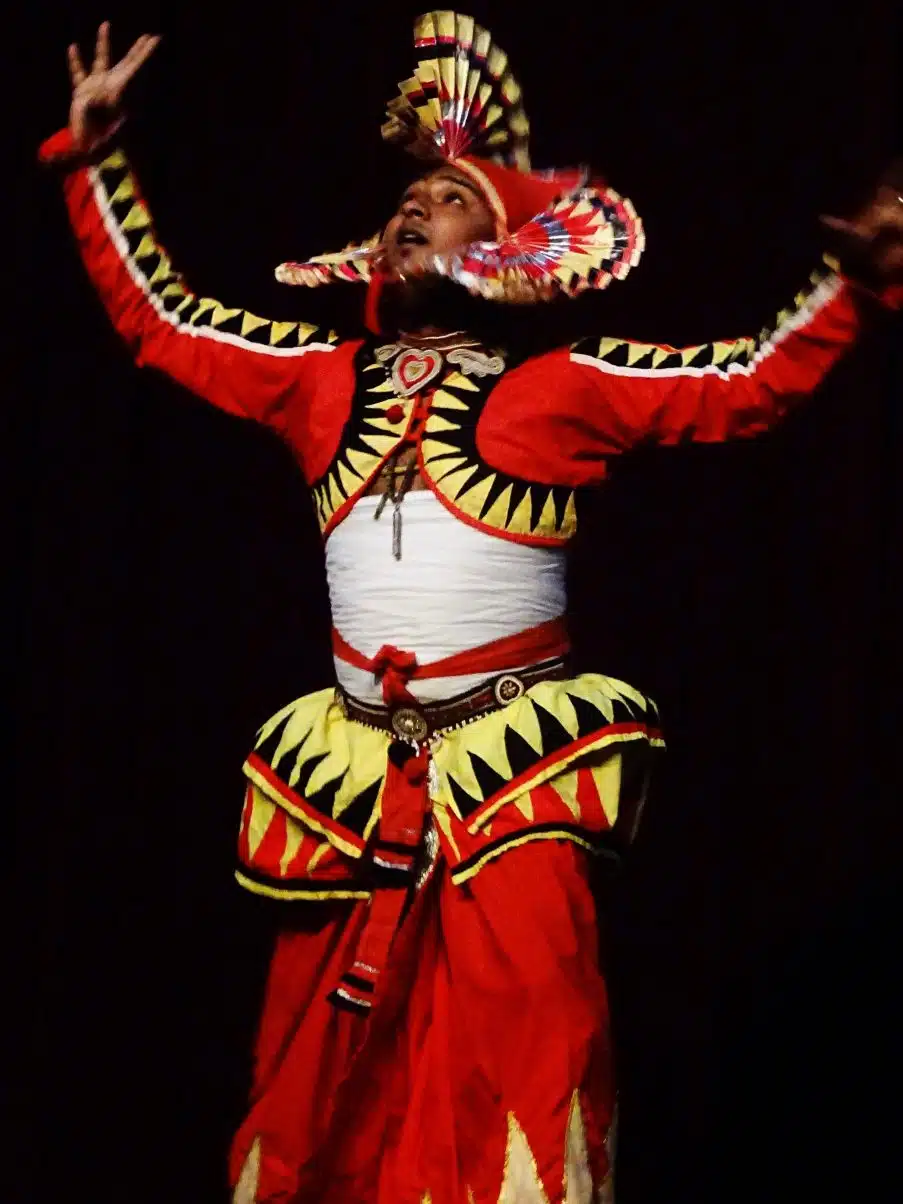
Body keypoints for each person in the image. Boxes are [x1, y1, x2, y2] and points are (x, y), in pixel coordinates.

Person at [40, 13, 903, 1204]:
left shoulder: (563, 391)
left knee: (529, 1047)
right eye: (406, 197)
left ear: (502, 248)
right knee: (318, 1060)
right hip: (354, 768)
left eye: (445, 196)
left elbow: (749, 382)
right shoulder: (315, 379)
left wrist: (856, 283)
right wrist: (95, 163)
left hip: (513, 765)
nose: (411, 208)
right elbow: (161, 322)